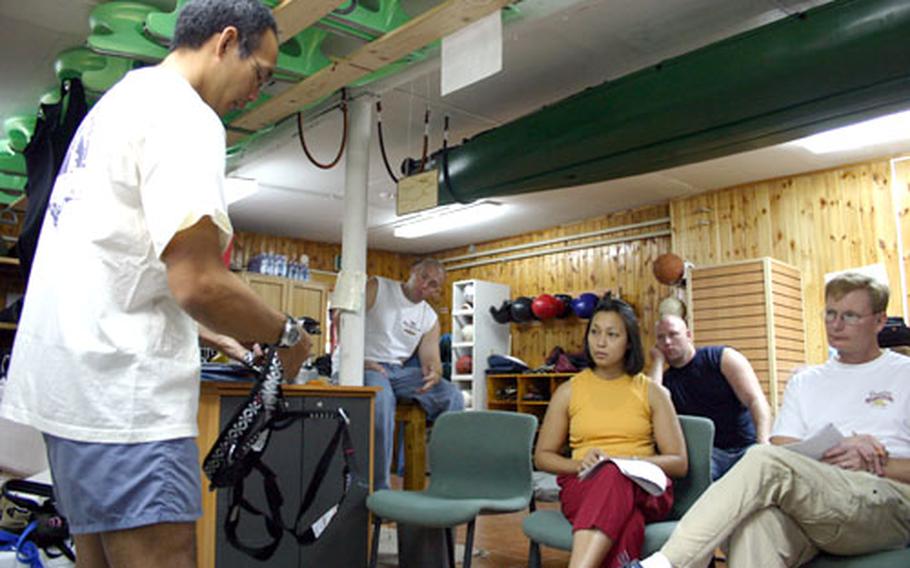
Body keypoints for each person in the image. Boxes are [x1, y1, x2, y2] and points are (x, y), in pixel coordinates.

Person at [0, 2, 313, 567]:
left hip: (72, 390)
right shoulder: (187, 116)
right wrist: (289, 334)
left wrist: (212, 333)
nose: (257, 92)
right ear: (224, 42)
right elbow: (199, 282)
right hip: (123, 402)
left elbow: (119, 258)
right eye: (260, 74)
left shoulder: (122, 102)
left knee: (98, 557)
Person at [631, 272, 910, 568]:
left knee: (761, 457)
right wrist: (841, 450)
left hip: (886, 502)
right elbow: (785, 450)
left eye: (851, 316)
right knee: (756, 526)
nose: (836, 324)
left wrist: (872, 462)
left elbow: (774, 456)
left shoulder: (903, 374)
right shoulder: (805, 381)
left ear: (879, 321)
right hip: (815, 506)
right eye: (830, 313)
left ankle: (662, 563)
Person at [535, 297, 688, 568]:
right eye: (595, 332)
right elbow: (543, 457)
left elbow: (678, 462)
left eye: (612, 334)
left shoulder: (652, 391)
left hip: (645, 486)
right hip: (584, 485)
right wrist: (579, 463)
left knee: (613, 474)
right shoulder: (569, 390)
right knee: (628, 521)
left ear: (629, 341)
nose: (600, 342)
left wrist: (625, 463)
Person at [363, 258, 464, 490]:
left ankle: (448, 481)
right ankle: (379, 488)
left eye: (433, 284)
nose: (425, 285)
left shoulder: (428, 317)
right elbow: (343, 318)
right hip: (365, 363)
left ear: (437, 290)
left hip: (397, 370)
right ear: (411, 273)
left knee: (452, 396)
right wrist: (358, 360)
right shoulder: (378, 287)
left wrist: (434, 374)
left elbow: (432, 361)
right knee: (381, 401)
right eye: (423, 277)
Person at [649, 315, 771, 479]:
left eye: (673, 334)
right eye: (661, 337)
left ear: (689, 335)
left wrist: (763, 443)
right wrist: (657, 361)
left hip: (746, 447)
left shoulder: (722, 358)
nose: (667, 342)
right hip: (706, 456)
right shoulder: (666, 381)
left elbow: (755, 400)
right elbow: (650, 408)